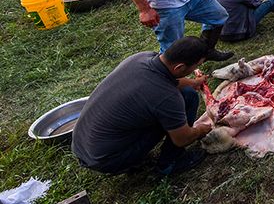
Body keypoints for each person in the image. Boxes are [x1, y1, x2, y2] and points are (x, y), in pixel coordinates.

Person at [71, 36, 213, 176]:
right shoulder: (168, 97)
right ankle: (169, 164)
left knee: (187, 92)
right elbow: (183, 139)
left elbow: (165, 80)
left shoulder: (141, 58)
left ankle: (128, 151)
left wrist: (193, 83)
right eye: (197, 65)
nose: (197, 68)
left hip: (81, 146)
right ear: (180, 67)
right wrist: (200, 130)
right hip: (106, 160)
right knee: (188, 100)